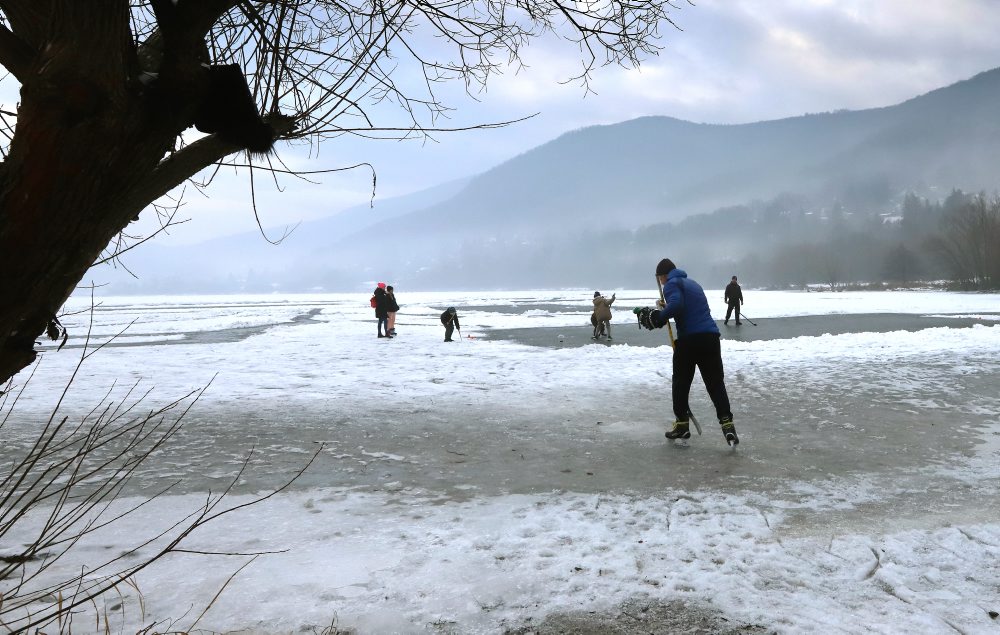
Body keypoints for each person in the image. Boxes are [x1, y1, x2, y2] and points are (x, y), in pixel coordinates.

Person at [639, 258, 738, 446]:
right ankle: (728, 424)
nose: (661, 282)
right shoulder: (693, 284)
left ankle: (682, 425)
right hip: (710, 338)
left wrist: (659, 317)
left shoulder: (671, 284)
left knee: (681, 383)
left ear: (663, 276)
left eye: (660, 278)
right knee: (715, 383)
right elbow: (688, 308)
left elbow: (677, 305)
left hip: (690, 341)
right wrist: (666, 308)